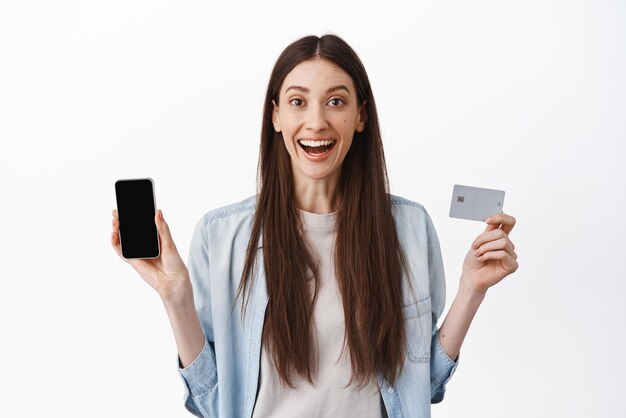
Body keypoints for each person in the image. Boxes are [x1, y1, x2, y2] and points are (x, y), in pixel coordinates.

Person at [111, 34, 518, 418]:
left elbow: (420, 386)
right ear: (275, 116)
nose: (317, 121)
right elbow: (212, 402)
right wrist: (175, 295)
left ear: (360, 116)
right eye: (298, 102)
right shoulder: (222, 236)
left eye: (336, 102)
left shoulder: (407, 228)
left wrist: (472, 289)